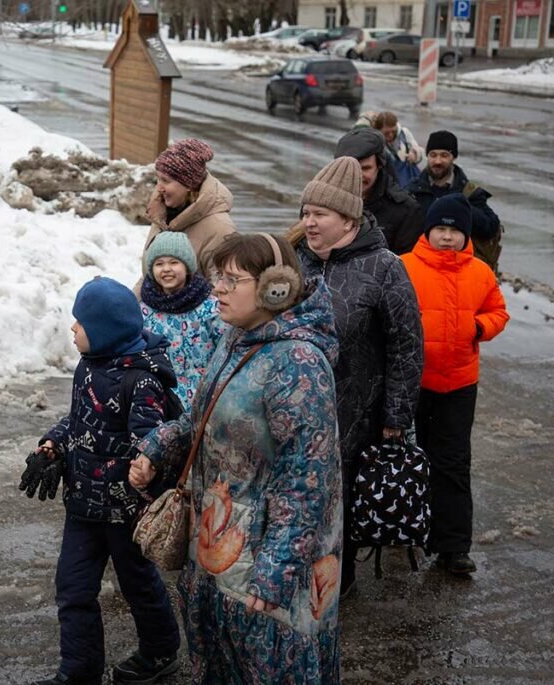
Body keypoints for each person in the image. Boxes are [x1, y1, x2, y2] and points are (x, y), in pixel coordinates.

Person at [131, 233, 343, 684]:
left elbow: (306, 478)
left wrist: (277, 570)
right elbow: (201, 416)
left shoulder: (298, 363)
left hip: (269, 560)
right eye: (216, 278)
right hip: (221, 545)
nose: (218, 289)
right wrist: (159, 445)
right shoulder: (235, 338)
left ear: (276, 288)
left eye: (232, 280)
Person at [22, 277, 181, 685]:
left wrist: (143, 469)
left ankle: (160, 652)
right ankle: (79, 671)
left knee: (138, 586)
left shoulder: (141, 381)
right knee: (72, 589)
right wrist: (52, 446)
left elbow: (151, 444)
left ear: (106, 330)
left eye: (81, 323)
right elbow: (78, 422)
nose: (73, 330)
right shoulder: (87, 367)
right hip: (84, 505)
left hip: (125, 509)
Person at [293, 157, 424, 597]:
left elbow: (407, 345)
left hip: (357, 415)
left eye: (319, 215)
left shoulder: (384, 267)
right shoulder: (297, 262)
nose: (308, 223)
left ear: (347, 219)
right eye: (306, 213)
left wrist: (397, 415)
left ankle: (338, 583)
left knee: (343, 502)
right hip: (297, 409)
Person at [400, 194, 509, 575]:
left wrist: (479, 327)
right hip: (413, 382)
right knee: (409, 460)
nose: (447, 238)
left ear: (466, 235)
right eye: (440, 229)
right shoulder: (404, 267)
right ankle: (405, 531)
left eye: (454, 231)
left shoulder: (480, 272)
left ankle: (454, 547)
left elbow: (498, 311)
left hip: (460, 384)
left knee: (453, 463)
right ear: (428, 231)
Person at [139, 231, 226, 410]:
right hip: (159, 398)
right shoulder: (145, 310)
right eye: (159, 263)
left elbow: (225, 348)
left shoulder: (209, 308)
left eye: (174, 262)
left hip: (204, 396)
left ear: (187, 267)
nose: (166, 269)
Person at [141, 139, 237, 283]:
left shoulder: (221, 229)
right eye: (158, 179)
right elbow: (149, 280)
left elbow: (223, 292)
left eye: (166, 181)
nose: (159, 188)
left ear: (189, 185)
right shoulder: (162, 214)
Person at [406, 130, 502, 265]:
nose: (437, 161)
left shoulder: (470, 193)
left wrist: (462, 208)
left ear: (454, 157)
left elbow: (491, 227)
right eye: (433, 155)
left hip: (458, 267)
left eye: (444, 155)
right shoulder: (412, 190)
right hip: (422, 264)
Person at [335, 128, 424, 255]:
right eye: (351, 168)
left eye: (365, 168)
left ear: (380, 166)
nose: (358, 175)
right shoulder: (323, 202)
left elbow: (404, 266)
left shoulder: (406, 210)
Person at [375, 111, 424, 189]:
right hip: (390, 178)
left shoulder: (404, 133)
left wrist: (414, 155)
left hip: (409, 173)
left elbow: (417, 150)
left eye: (393, 131)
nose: (390, 135)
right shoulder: (376, 140)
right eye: (386, 133)